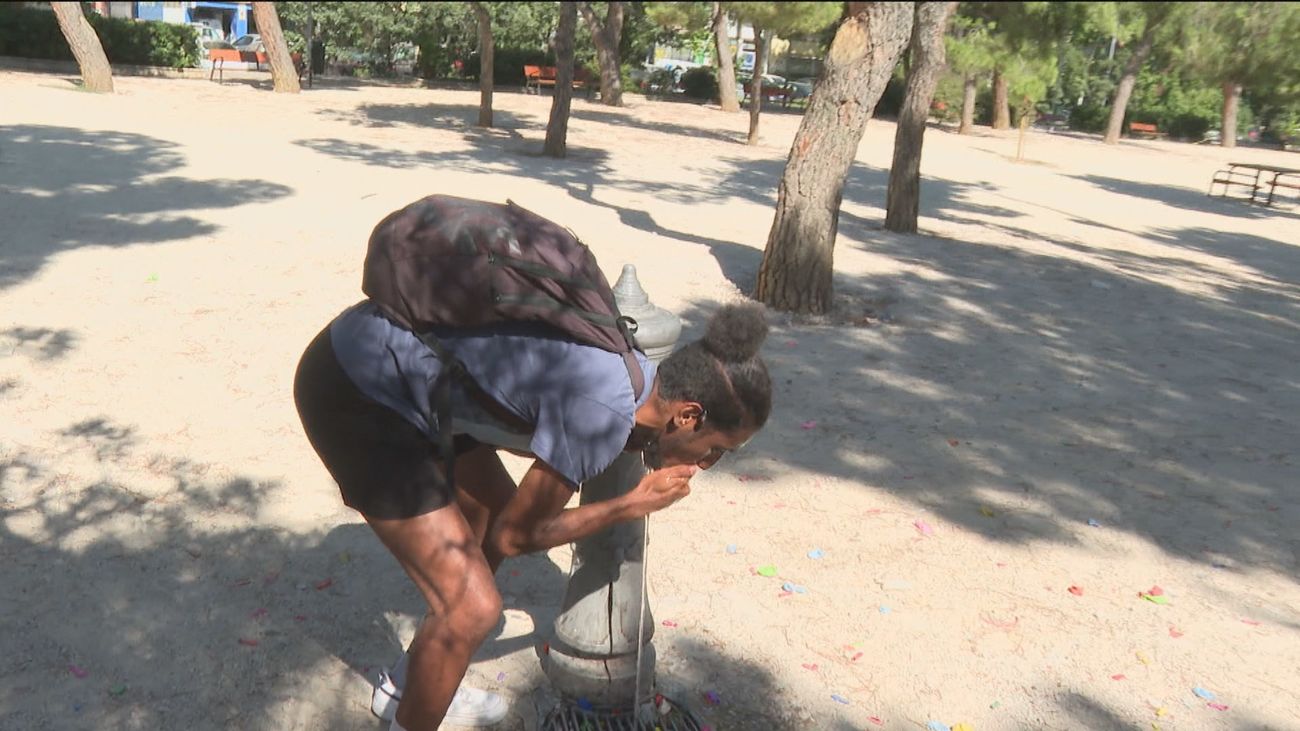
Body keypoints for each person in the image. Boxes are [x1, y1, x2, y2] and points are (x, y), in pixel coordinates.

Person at [293, 287, 772, 731]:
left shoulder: (636, 375)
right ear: (688, 415)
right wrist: (631, 503)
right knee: (473, 607)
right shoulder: (603, 411)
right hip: (357, 387)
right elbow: (516, 537)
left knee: (487, 517)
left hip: (400, 362)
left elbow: (506, 518)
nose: (706, 464)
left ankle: (407, 688)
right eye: (716, 450)